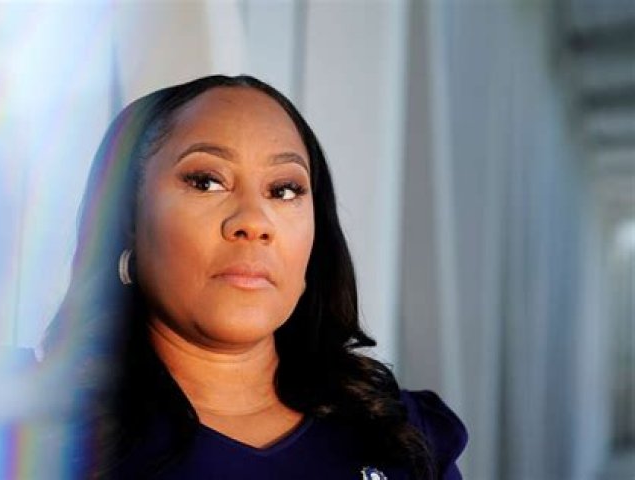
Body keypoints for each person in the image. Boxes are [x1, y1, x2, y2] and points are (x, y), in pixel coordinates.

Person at [42, 74, 467, 479]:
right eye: (206, 182)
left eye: (284, 190)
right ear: (127, 218)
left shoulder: (403, 435)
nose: (253, 222)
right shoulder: (47, 435)